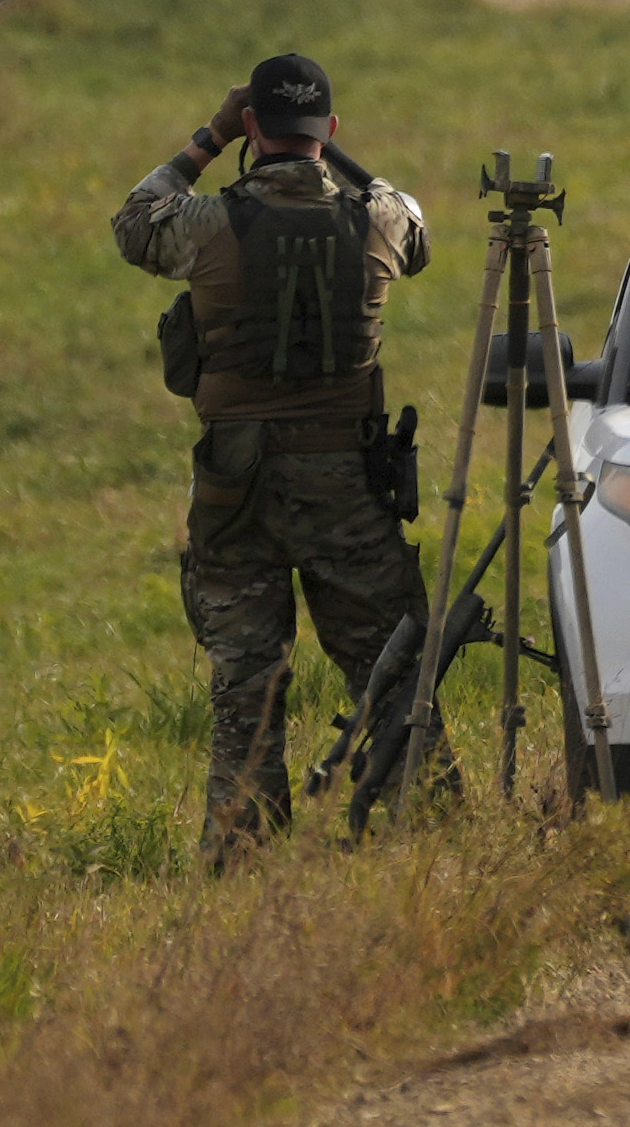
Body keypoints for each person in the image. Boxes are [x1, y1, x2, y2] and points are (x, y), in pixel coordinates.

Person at [112, 53, 430, 861]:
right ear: (330, 130)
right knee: (388, 672)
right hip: (349, 487)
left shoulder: (208, 224)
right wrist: (337, 159)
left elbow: (134, 221)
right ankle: (429, 840)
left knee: (245, 692)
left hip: (236, 489)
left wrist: (209, 138)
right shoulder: (379, 219)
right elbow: (418, 232)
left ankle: (243, 853)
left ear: (251, 128)